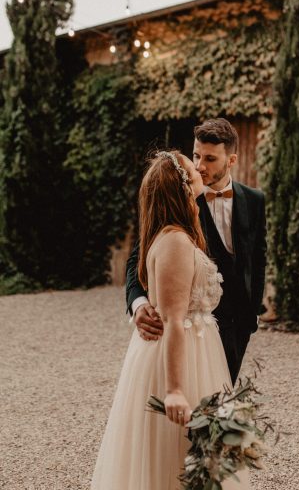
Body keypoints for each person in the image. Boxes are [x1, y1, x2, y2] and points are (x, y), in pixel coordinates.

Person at [91, 151, 251, 489]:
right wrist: (176, 390)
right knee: (177, 456)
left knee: (195, 456)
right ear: (181, 186)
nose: (201, 171)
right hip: (183, 356)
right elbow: (175, 320)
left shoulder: (172, 233)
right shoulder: (176, 240)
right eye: (194, 167)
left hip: (198, 351)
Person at [126, 118, 267, 384]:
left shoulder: (255, 200)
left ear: (232, 160)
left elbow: (258, 258)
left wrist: (253, 312)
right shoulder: (180, 198)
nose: (200, 166)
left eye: (211, 159)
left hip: (240, 322)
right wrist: (139, 303)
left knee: (223, 402)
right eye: (196, 155)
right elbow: (138, 257)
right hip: (197, 327)